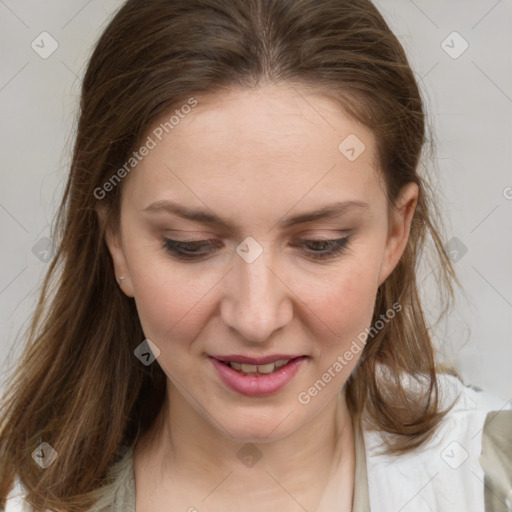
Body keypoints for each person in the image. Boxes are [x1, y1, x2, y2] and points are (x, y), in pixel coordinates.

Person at [0, 0, 510, 511]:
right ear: (116, 240)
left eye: (320, 244)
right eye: (189, 246)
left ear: (396, 233)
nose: (256, 318)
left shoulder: (491, 476)